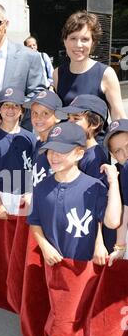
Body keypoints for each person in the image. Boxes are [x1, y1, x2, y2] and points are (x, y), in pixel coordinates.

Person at [27, 122, 121, 265]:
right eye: (50, 150)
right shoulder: (41, 188)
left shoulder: (94, 187)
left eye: (61, 151)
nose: (54, 156)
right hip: (54, 264)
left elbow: (109, 221)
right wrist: (44, 246)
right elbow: (34, 221)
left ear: (79, 153)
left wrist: (113, 182)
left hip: (87, 268)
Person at [53, 10, 126, 122]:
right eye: (73, 38)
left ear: (93, 43)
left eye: (85, 39)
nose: (78, 45)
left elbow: (119, 117)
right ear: (65, 41)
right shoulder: (58, 73)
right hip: (66, 138)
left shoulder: (106, 74)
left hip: (96, 139)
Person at [0, 87, 36, 219]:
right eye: (6, 105)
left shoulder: (30, 138)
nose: (10, 110)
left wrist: (30, 193)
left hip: (25, 198)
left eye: (15, 106)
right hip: (1, 197)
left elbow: (35, 171)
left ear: (22, 110)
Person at [24, 89, 62, 188]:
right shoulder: (39, 143)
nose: (38, 118)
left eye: (45, 113)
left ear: (58, 116)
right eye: (34, 113)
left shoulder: (58, 147)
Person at [103, 120, 128, 266]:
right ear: (112, 155)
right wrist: (120, 245)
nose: (126, 154)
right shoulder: (119, 172)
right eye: (118, 151)